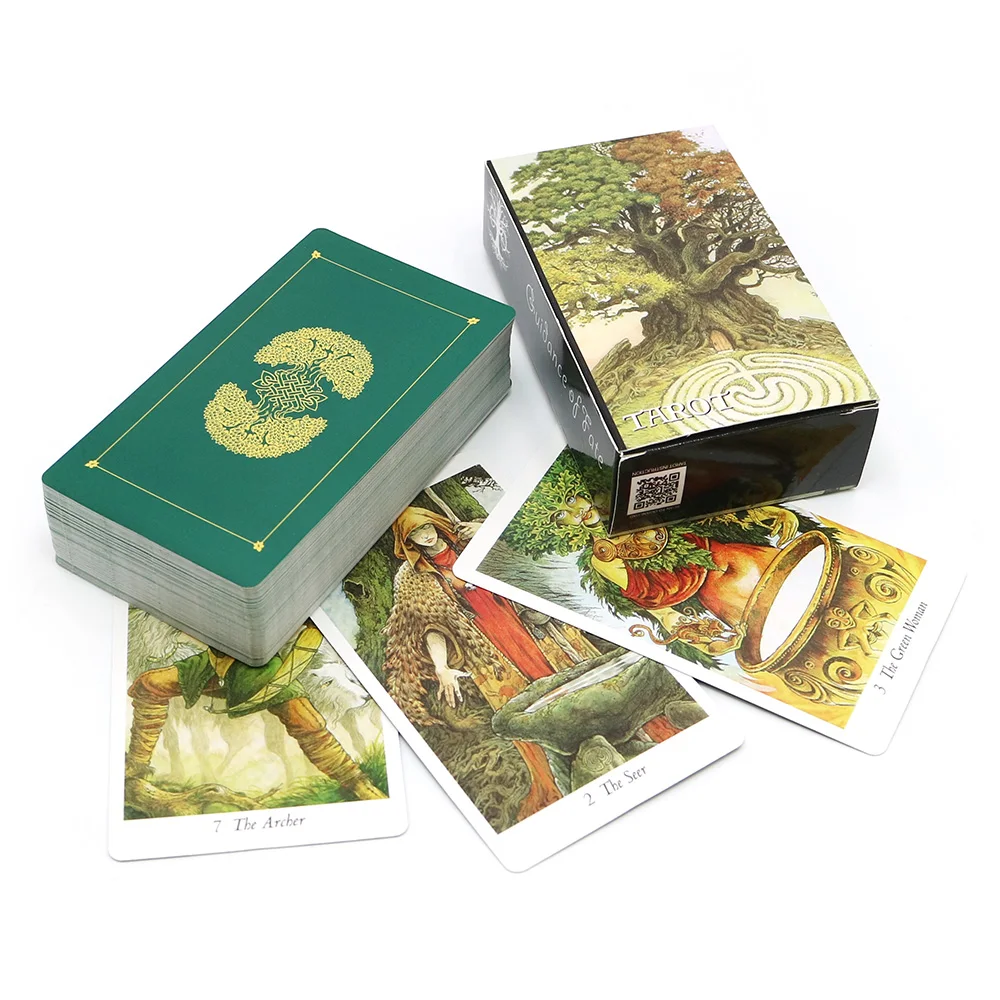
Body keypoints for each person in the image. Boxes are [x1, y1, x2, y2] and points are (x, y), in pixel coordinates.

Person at [383, 506, 564, 820]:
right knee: (518, 711)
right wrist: (441, 667)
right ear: (408, 541)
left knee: (559, 680)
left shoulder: (469, 540)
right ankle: (550, 781)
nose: (425, 535)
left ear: (436, 523)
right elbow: (432, 628)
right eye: (416, 533)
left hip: (525, 624)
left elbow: (525, 546)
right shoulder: (413, 579)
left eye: (427, 526)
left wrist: (485, 530)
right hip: (485, 649)